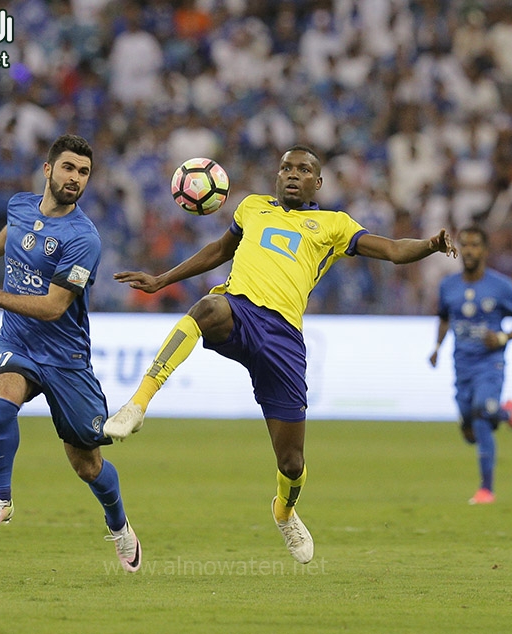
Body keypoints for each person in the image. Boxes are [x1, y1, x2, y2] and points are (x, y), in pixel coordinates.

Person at [103, 145, 457, 564]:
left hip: (284, 339)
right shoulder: (252, 207)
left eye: (304, 169)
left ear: (318, 183)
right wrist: (162, 279)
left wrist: (430, 245)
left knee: (291, 462)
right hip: (241, 309)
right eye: (286, 167)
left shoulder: (334, 225)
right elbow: (219, 250)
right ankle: (137, 404)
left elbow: (395, 250)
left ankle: (285, 512)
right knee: (207, 308)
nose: (292, 174)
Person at [0, 134, 141, 572]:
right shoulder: (19, 204)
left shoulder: (83, 239)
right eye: (69, 168)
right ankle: (1, 499)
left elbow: (55, 308)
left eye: (84, 172)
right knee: (2, 405)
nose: (76, 178)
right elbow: (11, 233)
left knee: (87, 465)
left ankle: (119, 525)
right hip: (18, 342)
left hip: (65, 357)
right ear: (48, 169)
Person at [429, 224, 512, 505]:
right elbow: (444, 318)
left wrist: (502, 337)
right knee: (470, 431)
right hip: (462, 365)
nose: (469, 250)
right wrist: (437, 347)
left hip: (490, 363)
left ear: (484, 250)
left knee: (483, 413)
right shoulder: (448, 285)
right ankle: (505, 413)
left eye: (475, 245)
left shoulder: (502, 286)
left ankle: (487, 489)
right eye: (465, 244)